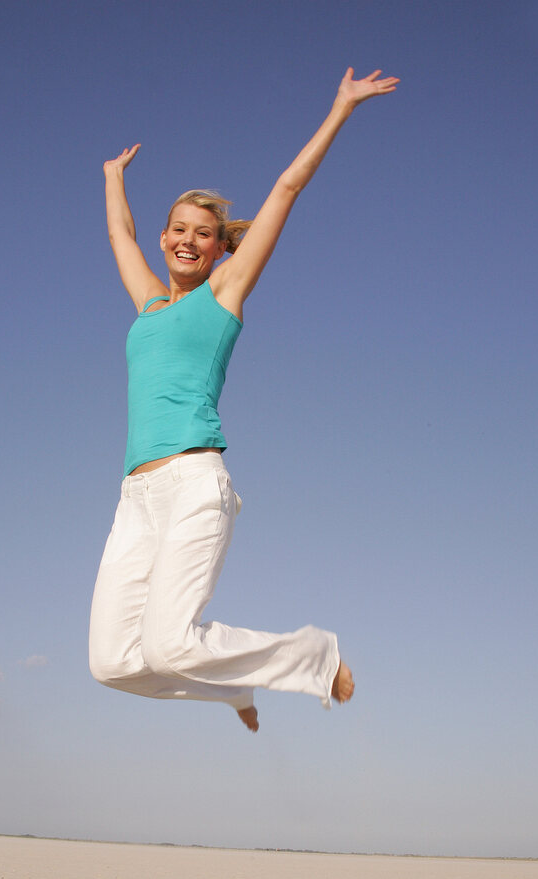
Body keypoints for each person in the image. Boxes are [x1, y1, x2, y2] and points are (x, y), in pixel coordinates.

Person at [89, 67, 399, 732]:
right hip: (135, 497)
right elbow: (119, 236)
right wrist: (113, 175)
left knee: (170, 643)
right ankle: (232, 691)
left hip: (194, 481)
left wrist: (340, 106)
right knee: (112, 662)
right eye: (176, 228)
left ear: (218, 245)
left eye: (202, 232)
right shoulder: (148, 304)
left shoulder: (223, 294)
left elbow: (286, 188)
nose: (185, 240)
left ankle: (314, 656)